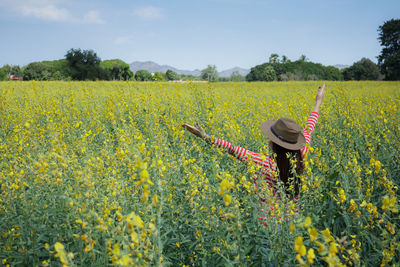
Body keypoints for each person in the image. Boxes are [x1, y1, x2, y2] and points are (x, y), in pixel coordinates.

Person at [182, 83, 326, 224]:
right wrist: (318, 102)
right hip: (293, 225)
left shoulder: (265, 164)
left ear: (273, 144)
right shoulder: (302, 153)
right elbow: (309, 128)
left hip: (269, 228)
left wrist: (206, 137)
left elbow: (232, 149)